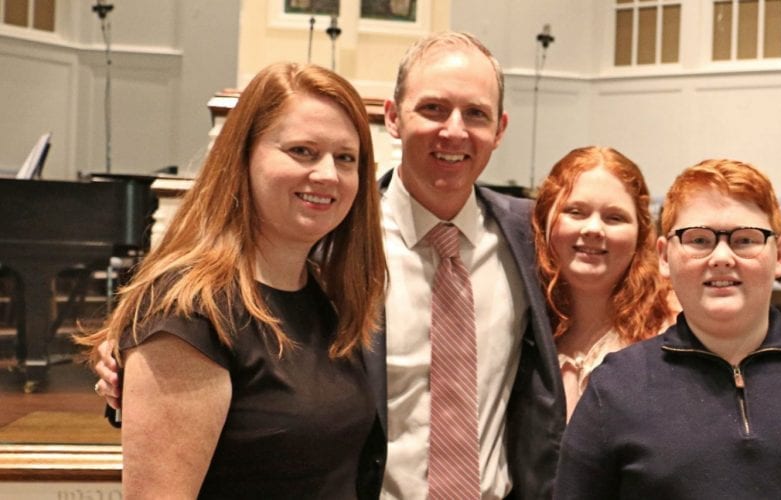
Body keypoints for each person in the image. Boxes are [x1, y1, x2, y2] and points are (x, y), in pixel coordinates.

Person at [93, 32, 565, 499]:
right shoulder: (325, 241)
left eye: (476, 114)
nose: (454, 131)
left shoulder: (534, 236)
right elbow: (203, 345)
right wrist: (136, 374)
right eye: (433, 109)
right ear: (395, 118)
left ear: (500, 129)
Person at [77, 62, 387, 498]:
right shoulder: (188, 313)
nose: (327, 175)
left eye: (346, 158)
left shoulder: (324, 295)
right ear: (244, 154)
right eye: (302, 151)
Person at [555, 159, 781, 498]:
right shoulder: (616, 387)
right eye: (698, 239)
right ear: (664, 257)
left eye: (745, 239)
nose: (722, 257)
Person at [531, 146, 676, 420]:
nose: (594, 229)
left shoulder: (672, 333)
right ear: (544, 221)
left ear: (640, 233)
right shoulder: (521, 325)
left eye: (615, 217)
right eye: (576, 212)